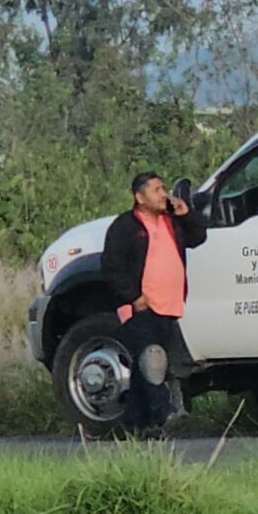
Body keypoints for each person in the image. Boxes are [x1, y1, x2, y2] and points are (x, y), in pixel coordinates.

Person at [100, 171, 207, 438]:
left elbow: (199, 237)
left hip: (169, 306)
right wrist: (133, 297)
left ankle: (138, 425)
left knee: (144, 367)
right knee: (152, 358)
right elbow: (112, 267)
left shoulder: (172, 222)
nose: (164, 194)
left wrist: (186, 214)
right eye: (157, 190)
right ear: (140, 196)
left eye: (164, 189)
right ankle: (165, 412)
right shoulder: (125, 227)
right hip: (140, 308)